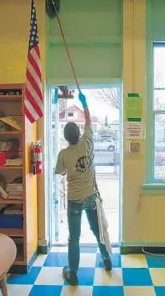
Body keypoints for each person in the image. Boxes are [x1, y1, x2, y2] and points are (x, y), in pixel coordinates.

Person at [55, 91, 112, 286]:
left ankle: (72, 272)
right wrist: (84, 102)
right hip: (91, 196)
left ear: (65, 137)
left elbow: (61, 172)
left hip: (74, 200)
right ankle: (106, 259)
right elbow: (88, 120)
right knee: (97, 230)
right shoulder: (87, 142)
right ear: (78, 134)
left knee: (74, 237)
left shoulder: (63, 154)